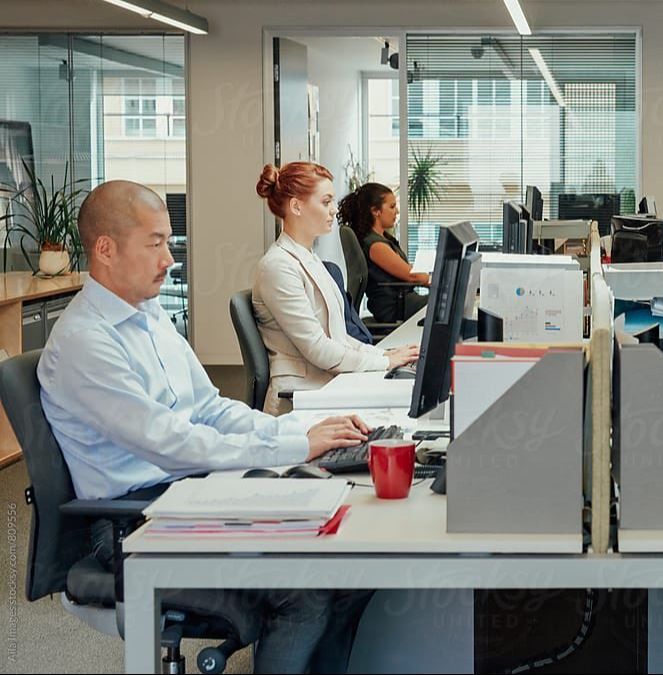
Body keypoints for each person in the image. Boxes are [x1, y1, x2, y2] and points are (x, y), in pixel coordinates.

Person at [38, 180, 375, 673]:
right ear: (105, 250)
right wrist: (291, 448)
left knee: (346, 552)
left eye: (169, 243)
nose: (170, 259)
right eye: (155, 244)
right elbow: (172, 443)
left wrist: (294, 436)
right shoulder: (86, 342)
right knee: (304, 587)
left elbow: (212, 409)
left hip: (189, 493)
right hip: (134, 525)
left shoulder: (149, 316)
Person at [253, 163, 419, 415]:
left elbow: (338, 338)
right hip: (302, 397)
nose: (333, 210)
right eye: (326, 201)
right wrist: (384, 362)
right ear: (296, 206)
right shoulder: (278, 267)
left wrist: (383, 354)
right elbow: (318, 348)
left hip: (327, 385)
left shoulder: (311, 259)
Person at [337, 182, 429, 324]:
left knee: (446, 304)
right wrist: (439, 282)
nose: (396, 211)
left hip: (403, 301)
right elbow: (413, 276)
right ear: (376, 211)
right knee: (447, 305)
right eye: (392, 207)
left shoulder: (382, 238)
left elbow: (406, 270)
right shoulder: (375, 245)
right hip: (395, 307)